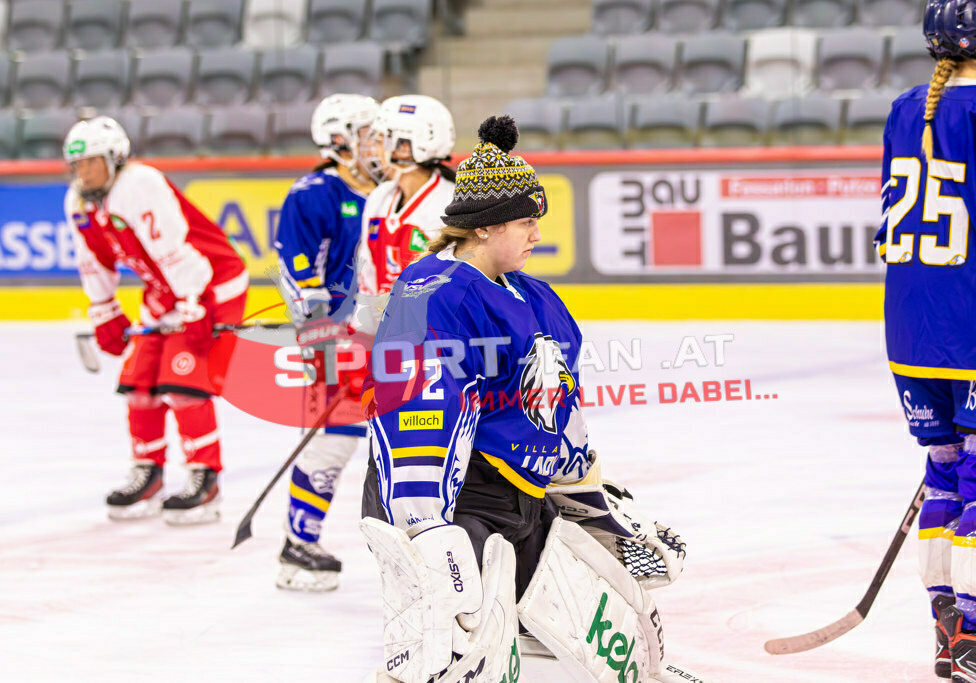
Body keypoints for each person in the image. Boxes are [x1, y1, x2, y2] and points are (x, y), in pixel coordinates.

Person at [358, 117, 688, 682]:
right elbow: (416, 408)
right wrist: (425, 525)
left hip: (524, 497)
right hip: (456, 498)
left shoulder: (535, 292)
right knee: (455, 635)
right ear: (484, 228)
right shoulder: (431, 292)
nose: (537, 234)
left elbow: (563, 399)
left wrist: (588, 493)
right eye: (525, 222)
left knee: (608, 597)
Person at [877, 1, 976, 679]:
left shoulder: (905, 106)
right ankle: (974, 636)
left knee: (948, 472)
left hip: (911, 330)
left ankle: (949, 618)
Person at [64, 116, 248, 525]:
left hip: (211, 282)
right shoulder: (78, 203)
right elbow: (92, 262)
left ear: (115, 158)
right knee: (139, 385)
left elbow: (174, 250)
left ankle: (205, 477)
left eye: (91, 163)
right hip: (166, 292)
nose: (83, 173)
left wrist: (196, 303)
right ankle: (147, 472)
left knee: (183, 382)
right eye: (76, 165)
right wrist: (104, 309)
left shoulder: (138, 184)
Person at [272, 94, 381, 591]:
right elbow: (298, 271)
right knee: (334, 441)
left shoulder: (392, 191)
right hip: (341, 338)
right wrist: (319, 336)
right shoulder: (313, 193)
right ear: (340, 141)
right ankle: (300, 544)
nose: (378, 143)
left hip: (396, 335)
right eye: (367, 134)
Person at [354, 94, 457, 336]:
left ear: (405, 146)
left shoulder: (450, 203)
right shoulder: (379, 198)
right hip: (384, 340)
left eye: (382, 140)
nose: (374, 149)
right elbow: (368, 275)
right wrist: (362, 334)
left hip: (434, 341)